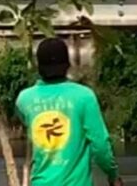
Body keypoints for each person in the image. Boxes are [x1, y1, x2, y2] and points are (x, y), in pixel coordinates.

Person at [15, 38, 123, 186]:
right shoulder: (84, 96)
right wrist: (113, 175)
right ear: (67, 64)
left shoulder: (24, 99)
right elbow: (101, 146)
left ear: (39, 66)